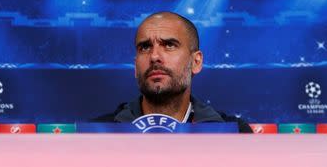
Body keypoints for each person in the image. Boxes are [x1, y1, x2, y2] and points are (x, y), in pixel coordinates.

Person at [94, 11, 252, 133]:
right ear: (136, 67)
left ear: (196, 62)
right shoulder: (97, 133)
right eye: (145, 47)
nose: (154, 56)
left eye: (169, 45)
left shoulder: (234, 133)